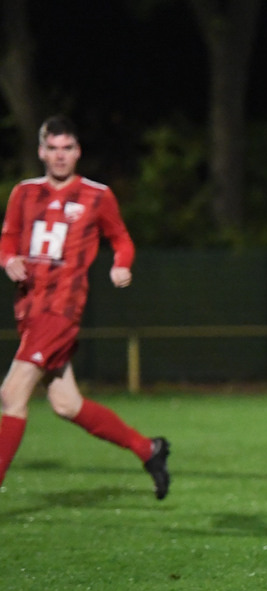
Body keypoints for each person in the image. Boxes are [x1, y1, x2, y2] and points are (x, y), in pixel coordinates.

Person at [0, 115, 170, 499]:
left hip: (62, 309)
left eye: (68, 149)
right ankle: (149, 449)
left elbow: (121, 238)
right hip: (29, 308)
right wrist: (7, 259)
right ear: (41, 151)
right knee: (65, 403)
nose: (60, 156)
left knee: (12, 393)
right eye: (53, 148)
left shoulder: (97, 195)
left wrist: (121, 264)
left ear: (78, 152)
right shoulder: (23, 193)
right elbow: (8, 237)